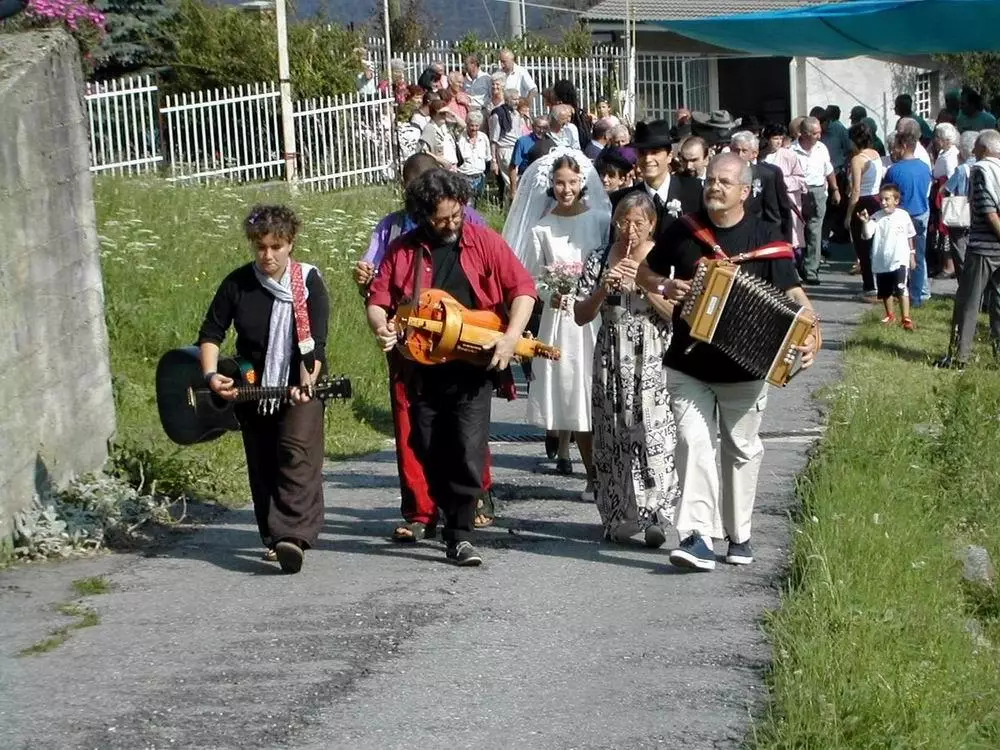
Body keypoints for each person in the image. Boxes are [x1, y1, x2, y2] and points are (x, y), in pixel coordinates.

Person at [637, 153, 818, 570]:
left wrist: (813, 331)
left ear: (745, 191)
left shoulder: (766, 239)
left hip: (745, 370)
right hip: (688, 364)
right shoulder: (685, 230)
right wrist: (665, 285)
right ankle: (698, 537)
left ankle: (739, 534)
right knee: (693, 444)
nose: (714, 187)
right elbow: (645, 273)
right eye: (710, 181)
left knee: (741, 451)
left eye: (724, 182)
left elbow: (793, 293)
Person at [366, 170, 537, 566]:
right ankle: (445, 508)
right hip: (422, 368)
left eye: (456, 215)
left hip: (473, 366)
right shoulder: (404, 250)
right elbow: (377, 301)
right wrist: (381, 328)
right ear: (423, 215)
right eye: (441, 219)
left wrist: (511, 337)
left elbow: (523, 289)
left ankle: (459, 534)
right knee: (426, 447)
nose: (451, 224)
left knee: (468, 449)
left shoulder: (484, 241)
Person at [354, 154, 498, 539]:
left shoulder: (472, 223)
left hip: (463, 345)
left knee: (467, 430)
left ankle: (471, 503)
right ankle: (421, 510)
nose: (449, 223)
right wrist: (374, 307)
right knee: (414, 430)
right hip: (411, 345)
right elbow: (377, 291)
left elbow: (502, 278)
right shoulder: (393, 232)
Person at [199, 205, 329, 574]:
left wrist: (307, 382)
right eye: (260, 247)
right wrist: (211, 375)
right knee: (263, 460)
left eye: (276, 247)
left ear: (291, 243)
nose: (267, 256)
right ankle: (274, 537)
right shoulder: (237, 283)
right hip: (253, 387)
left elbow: (316, 344)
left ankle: (293, 537)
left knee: (296, 452)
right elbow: (211, 333)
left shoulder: (309, 283)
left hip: (301, 381)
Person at [574, 192, 679, 546]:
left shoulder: (663, 258)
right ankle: (618, 513)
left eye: (638, 223)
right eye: (623, 222)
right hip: (611, 354)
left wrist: (646, 286)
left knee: (652, 431)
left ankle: (657, 515)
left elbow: (675, 314)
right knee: (613, 431)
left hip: (651, 353)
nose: (629, 230)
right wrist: (603, 289)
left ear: (652, 225)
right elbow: (580, 314)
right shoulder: (599, 257)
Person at [503, 150, 610, 494]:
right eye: (560, 183)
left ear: (582, 183)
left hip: (596, 315)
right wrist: (552, 293)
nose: (566, 189)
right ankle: (593, 475)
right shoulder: (541, 229)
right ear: (551, 185)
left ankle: (609, 470)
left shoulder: (600, 220)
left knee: (598, 391)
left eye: (572, 182)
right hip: (562, 321)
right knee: (573, 394)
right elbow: (533, 279)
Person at [938, 130, 1000, 369]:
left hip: (983, 247)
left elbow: (988, 211)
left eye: (976, 148)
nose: (972, 152)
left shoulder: (981, 170)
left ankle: (958, 357)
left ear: (984, 150)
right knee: (998, 303)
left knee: (968, 302)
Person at [609, 120, 703, 245]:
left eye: (655, 152)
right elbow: (616, 243)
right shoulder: (621, 199)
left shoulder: (695, 191)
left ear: (669, 156)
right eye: (642, 153)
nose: (648, 159)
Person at [885, 126, 934, 305]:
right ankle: (916, 296)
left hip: (901, 216)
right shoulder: (925, 167)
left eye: (896, 147)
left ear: (904, 146)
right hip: (921, 213)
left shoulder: (894, 170)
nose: (894, 151)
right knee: (918, 256)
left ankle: (899, 291)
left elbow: (888, 193)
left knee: (896, 256)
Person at [859, 184, 917, 328]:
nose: (883, 202)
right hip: (882, 261)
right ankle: (890, 315)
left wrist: (912, 254)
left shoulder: (903, 216)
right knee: (885, 291)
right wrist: (865, 222)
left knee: (901, 288)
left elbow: (910, 235)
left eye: (887, 199)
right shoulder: (876, 217)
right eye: (881, 199)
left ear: (896, 201)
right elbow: (867, 235)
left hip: (900, 259)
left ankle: (906, 318)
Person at [791, 115, 839, 285]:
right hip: (797, 192)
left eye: (819, 132)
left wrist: (835, 189)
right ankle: (798, 267)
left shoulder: (821, 148)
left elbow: (828, 169)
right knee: (797, 231)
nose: (819, 136)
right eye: (815, 133)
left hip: (817, 191)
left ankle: (811, 270)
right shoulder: (791, 151)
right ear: (804, 134)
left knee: (814, 230)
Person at [844, 120, 886, 301]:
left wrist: (848, 215)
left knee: (862, 247)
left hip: (863, 203)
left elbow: (856, 190)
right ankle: (878, 283)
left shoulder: (857, 159)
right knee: (874, 245)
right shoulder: (875, 154)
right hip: (876, 199)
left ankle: (869, 286)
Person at [730, 130, 792, 242]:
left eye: (744, 151)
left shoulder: (765, 175)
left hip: (756, 235)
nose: (739, 155)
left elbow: (773, 213)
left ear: (754, 154)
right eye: (736, 150)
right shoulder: (722, 174)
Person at [761, 122, 807, 251]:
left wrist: (782, 182)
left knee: (790, 235)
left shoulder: (789, 155)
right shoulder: (760, 156)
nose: (779, 142)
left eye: (781, 138)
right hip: (766, 201)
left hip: (786, 200)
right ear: (767, 139)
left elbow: (801, 179)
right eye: (775, 138)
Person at [941, 129, 981, 277]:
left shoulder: (962, 169)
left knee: (960, 248)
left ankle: (964, 279)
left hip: (961, 214)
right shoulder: (982, 166)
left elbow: (946, 189)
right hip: (978, 213)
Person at [489, 88, 525, 206]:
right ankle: (512, 209)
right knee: (511, 183)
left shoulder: (517, 114)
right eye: (514, 99)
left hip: (517, 148)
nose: (516, 102)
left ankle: (509, 208)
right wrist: (494, 160)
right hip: (505, 150)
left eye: (517, 99)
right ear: (507, 100)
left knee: (518, 181)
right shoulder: (498, 114)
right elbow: (493, 139)